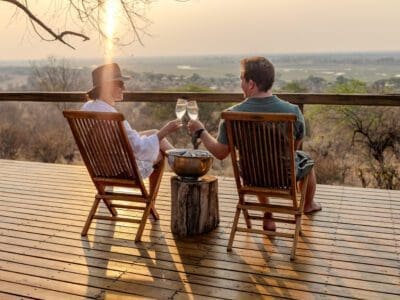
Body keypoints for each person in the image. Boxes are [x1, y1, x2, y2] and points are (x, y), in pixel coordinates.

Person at [188, 56, 321, 231]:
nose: (240, 83)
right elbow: (295, 147)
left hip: (251, 175)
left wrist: (201, 132)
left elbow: (220, 153)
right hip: (284, 174)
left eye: (241, 79)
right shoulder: (293, 111)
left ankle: (268, 215)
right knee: (306, 160)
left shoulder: (231, 115)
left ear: (251, 84)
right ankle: (308, 205)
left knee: (254, 161)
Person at [81, 62, 182, 179]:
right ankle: (183, 166)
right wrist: (165, 131)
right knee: (158, 151)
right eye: (120, 83)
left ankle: (181, 162)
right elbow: (139, 148)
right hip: (121, 170)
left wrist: (157, 135)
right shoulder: (113, 117)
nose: (124, 88)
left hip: (100, 167)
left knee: (154, 133)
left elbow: (119, 141)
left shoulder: (87, 107)